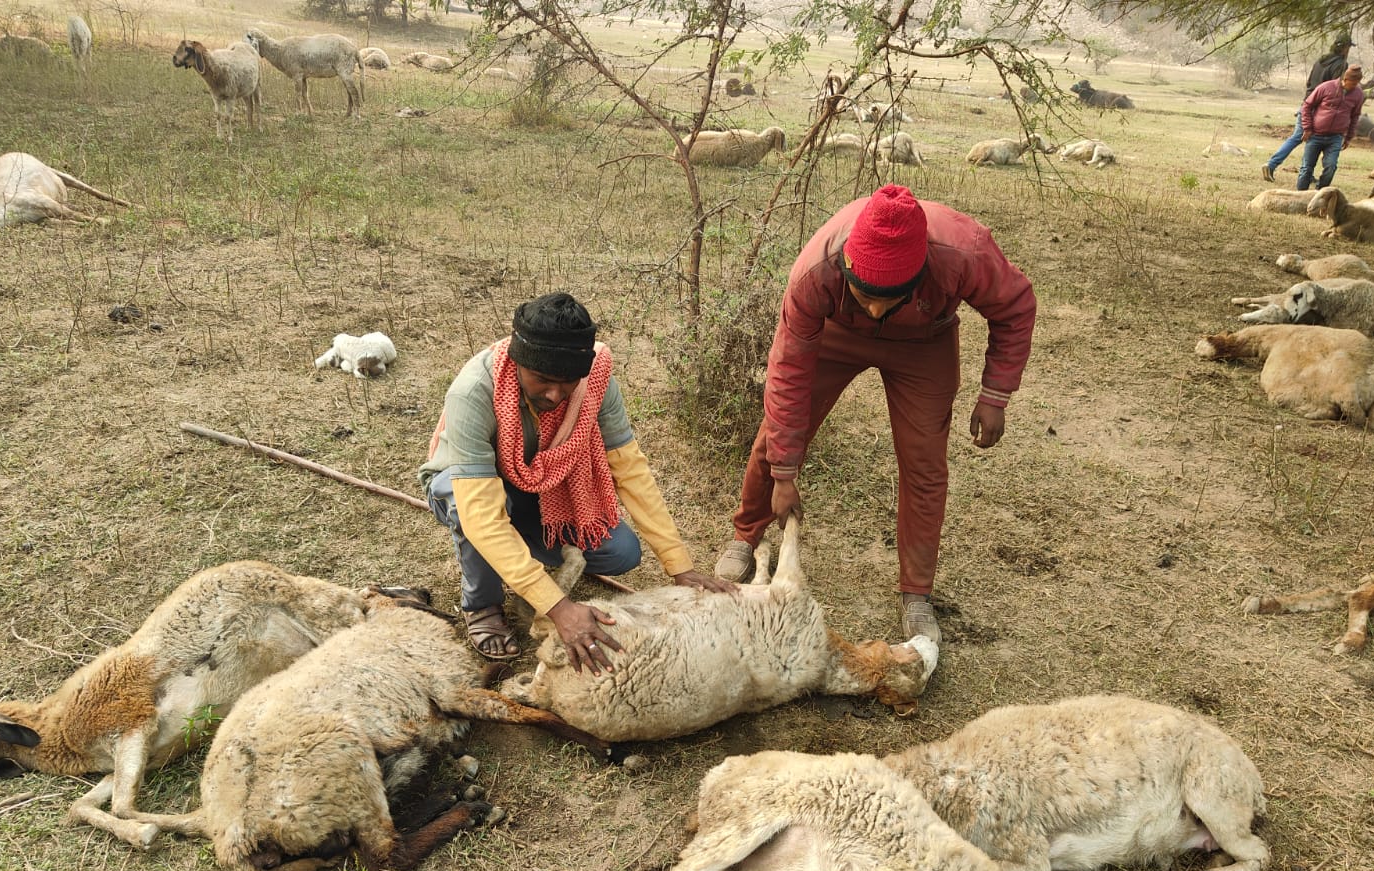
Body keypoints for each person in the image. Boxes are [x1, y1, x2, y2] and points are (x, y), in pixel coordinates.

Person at [712, 184, 1036, 644]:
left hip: (925, 341)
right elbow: (787, 376)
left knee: (925, 464)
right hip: (837, 332)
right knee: (774, 438)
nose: (878, 308)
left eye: (891, 297)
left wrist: (995, 393)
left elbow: (1017, 304)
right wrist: (785, 474)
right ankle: (745, 536)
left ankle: (916, 593)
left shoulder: (964, 251)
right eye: (867, 294)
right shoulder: (816, 271)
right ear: (846, 265)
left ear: (921, 269)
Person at [421, 292, 731, 671]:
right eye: (542, 381)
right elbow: (481, 514)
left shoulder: (596, 383)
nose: (555, 395)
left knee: (620, 552)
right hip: (464, 486)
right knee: (480, 516)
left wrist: (679, 565)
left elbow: (630, 470)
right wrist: (560, 608)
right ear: (518, 362)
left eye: (567, 383)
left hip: (543, 486)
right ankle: (482, 604)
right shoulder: (474, 391)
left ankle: (514, 555)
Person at [1263, 34, 1353, 182]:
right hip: (1321, 108)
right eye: (1348, 47)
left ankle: (1306, 174)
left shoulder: (1321, 60)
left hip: (1307, 102)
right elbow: (1336, 88)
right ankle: (1271, 164)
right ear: (1344, 48)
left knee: (1301, 139)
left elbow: (1309, 81)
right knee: (1306, 139)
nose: (1349, 50)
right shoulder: (1342, 65)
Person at [1296, 64, 1366, 190]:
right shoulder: (1326, 87)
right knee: (1307, 168)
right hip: (1315, 134)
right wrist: (1307, 128)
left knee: (1331, 167)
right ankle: (1300, 195)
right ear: (1345, 79)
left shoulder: (1358, 94)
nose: (1355, 86)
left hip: (1335, 137)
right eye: (1353, 83)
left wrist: (1349, 137)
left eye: (1357, 83)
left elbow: (1355, 116)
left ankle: (1320, 193)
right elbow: (1307, 106)